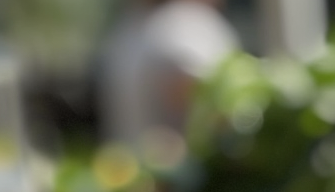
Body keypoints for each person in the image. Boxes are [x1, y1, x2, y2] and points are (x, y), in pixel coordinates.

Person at [97, 0, 239, 145]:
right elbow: (189, 89)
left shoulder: (128, 27)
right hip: (183, 162)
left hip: (129, 160)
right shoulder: (188, 22)